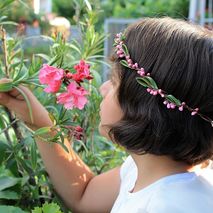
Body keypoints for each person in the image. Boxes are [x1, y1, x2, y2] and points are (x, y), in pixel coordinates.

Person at [0, 17, 213, 213]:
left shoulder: (171, 206)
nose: (102, 88)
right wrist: (38, 120)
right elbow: (84, 194)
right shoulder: (148, 169)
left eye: (113, 81)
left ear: (141, 106)